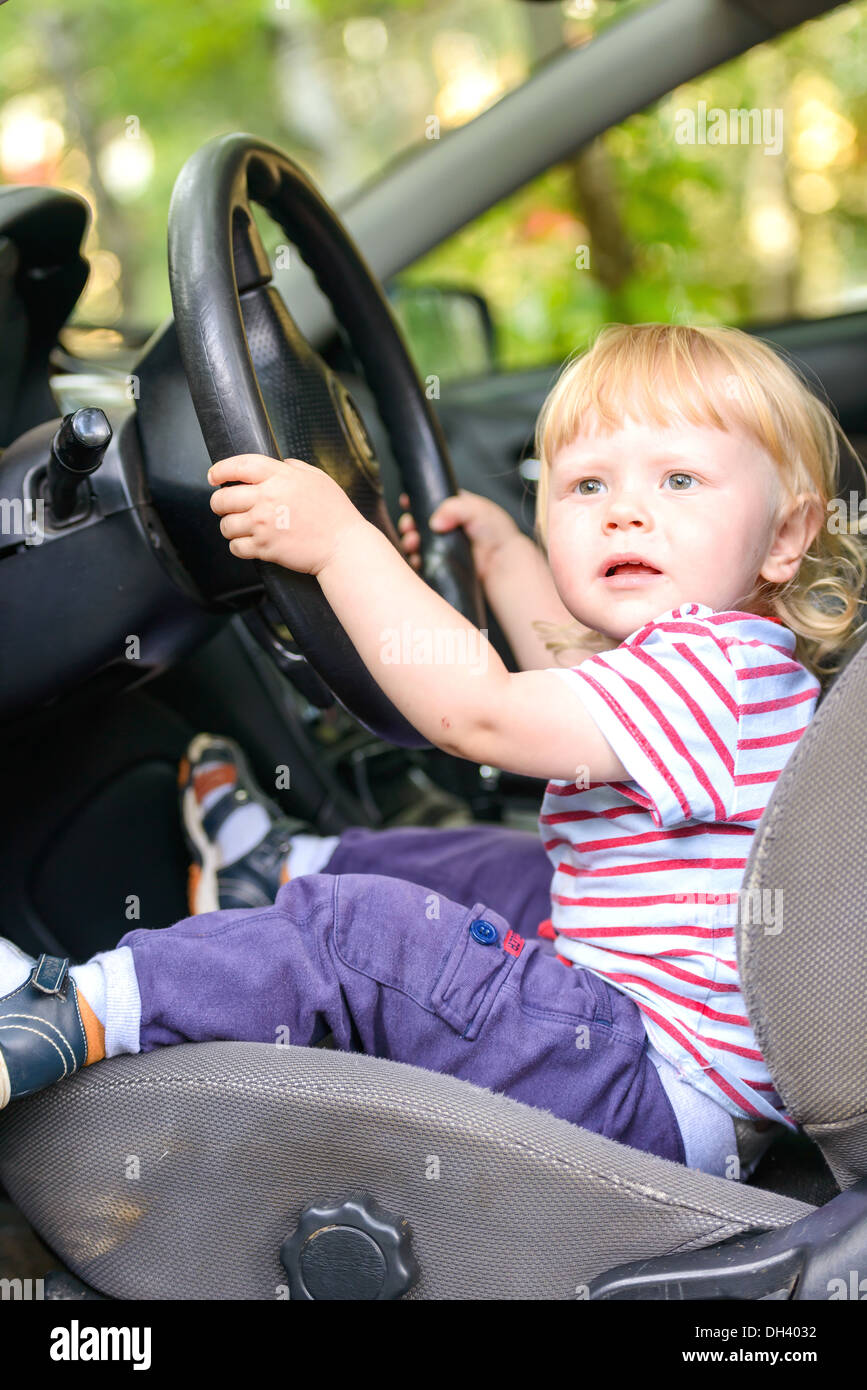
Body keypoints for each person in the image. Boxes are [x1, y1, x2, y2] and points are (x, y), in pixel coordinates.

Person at [2, 322, 865, 1183]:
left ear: (786, 536)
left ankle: (72, 1011)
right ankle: (276, 867)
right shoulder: (729, 667)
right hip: (664, 1064)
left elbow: (480, 714)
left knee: (361, 933)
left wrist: (345, 546)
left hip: (642, 1088)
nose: (624, 510)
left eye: (679, 480)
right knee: (502, 869)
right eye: (586, 484)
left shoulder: (708, 672)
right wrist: (501, 555)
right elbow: (565, 671)